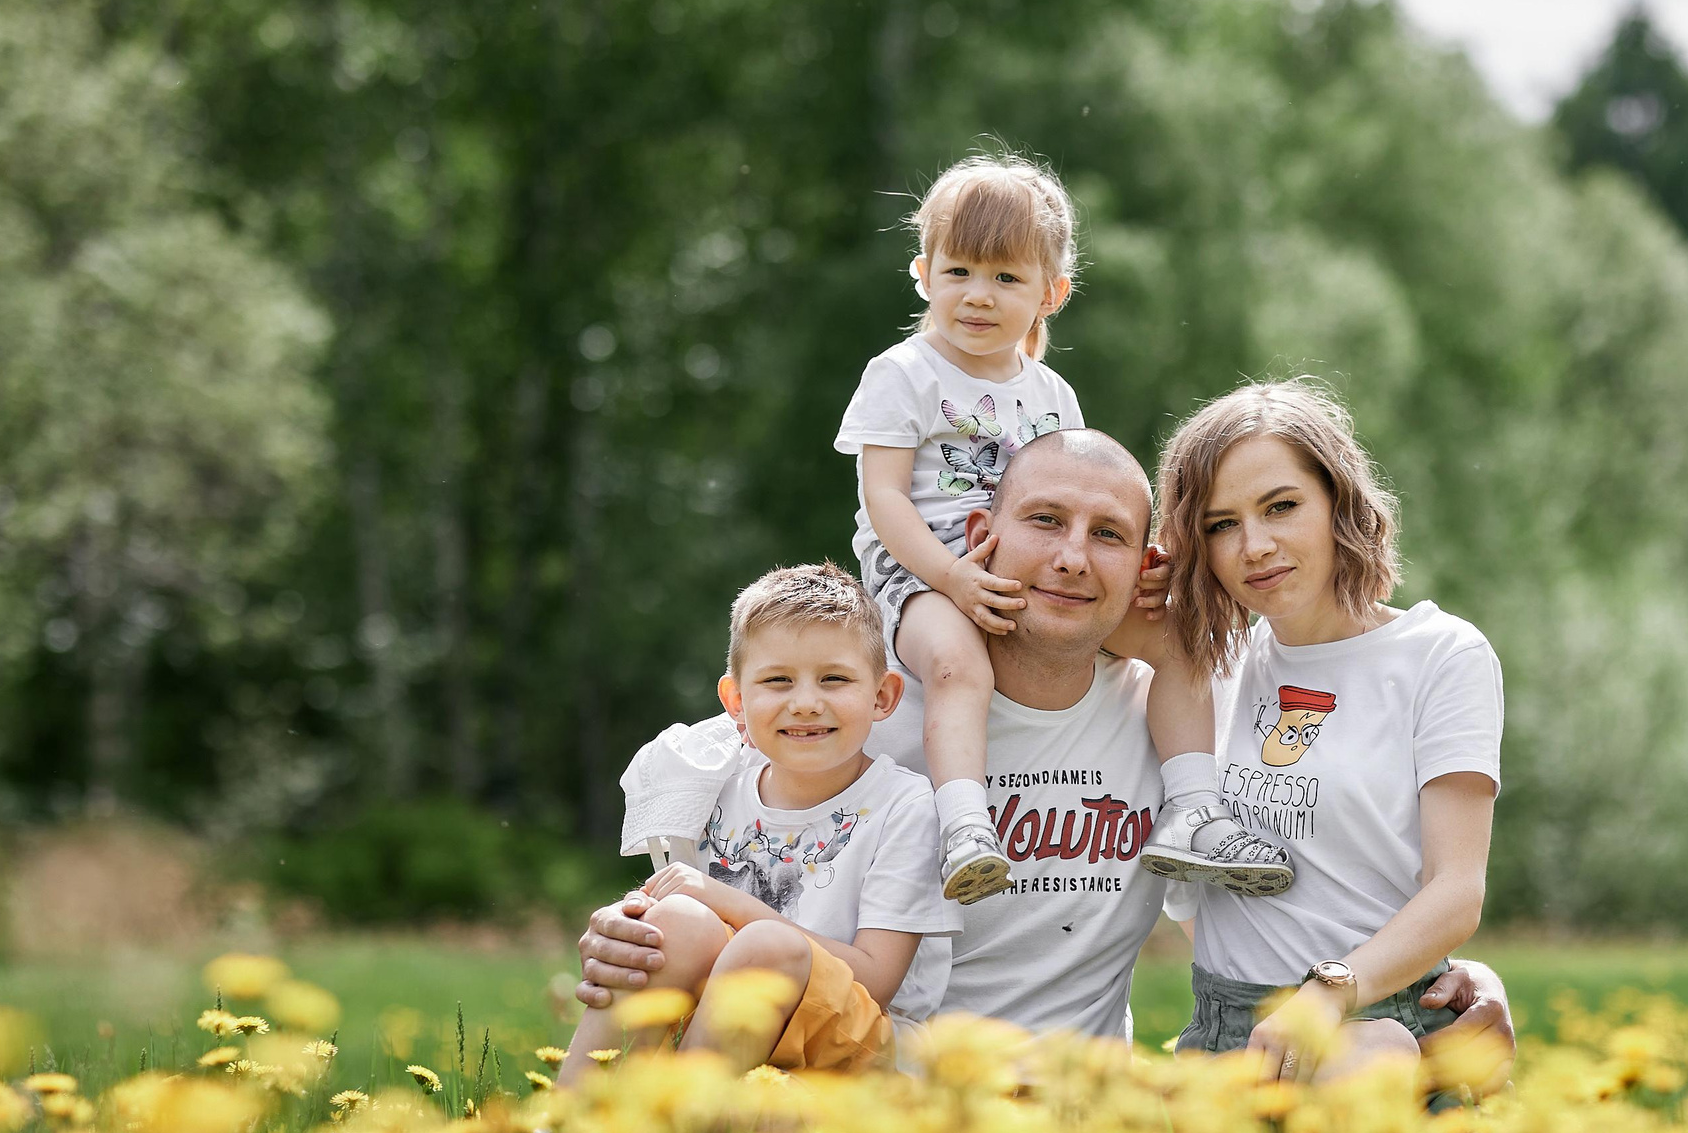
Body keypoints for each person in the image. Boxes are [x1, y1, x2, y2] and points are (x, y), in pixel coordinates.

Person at [576, 430, 1512, 1061]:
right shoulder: (884, 705)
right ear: (980, 535)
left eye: (1109, 535)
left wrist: (1442, 978)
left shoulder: (1189, 722)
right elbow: (722, 792)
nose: (1073, 556)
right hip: (878, 1080)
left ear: (1145, 566)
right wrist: (641, 915)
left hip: (1077, 1107)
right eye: (1045, 523)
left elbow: (1314, 849)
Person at [836, 151, 1289, 907]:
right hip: (921, 571)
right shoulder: (903, 373)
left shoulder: (1051, 392)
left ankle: (1192, 807)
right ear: (924, 274)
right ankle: (965, 825)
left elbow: (1080, 497)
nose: (978, 296)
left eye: (1006, 278)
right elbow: (883, 499)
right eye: (959, 273)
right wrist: (949, 577)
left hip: (1027, 571)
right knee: (958, 665)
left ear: (1052, 293)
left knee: (1177, 640)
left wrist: (1129, 569)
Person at [1158, 381, 1504, 1083]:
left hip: (1374, 1027)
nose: (1255, 545)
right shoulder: (1205, 670)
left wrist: (1327, 990)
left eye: (1281, 507)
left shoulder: (1441, 655)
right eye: (1222, 524)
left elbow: (1457, 888)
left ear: (1339, 503)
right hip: (1226, 1031)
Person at [558, 564, 958, 1080]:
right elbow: (684, 918)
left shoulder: (904, 804)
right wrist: (637, 923)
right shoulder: (713, 779)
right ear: (737, 703)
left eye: (834, 679)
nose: (807, 703)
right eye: (778, 681)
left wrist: (731, 902)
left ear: (882, 696)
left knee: (767, 946)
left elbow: (877, 980)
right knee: (677, 920)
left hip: (858, 1046)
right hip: (726, 1025)